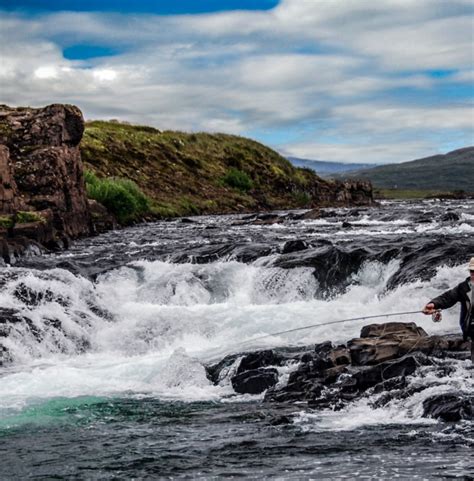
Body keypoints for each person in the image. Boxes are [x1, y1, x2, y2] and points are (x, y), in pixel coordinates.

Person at [423, 257, 474, 362]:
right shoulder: (463, 288)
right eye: (472, 271)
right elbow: (448, 298)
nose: (473, 274)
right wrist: (433, 304)